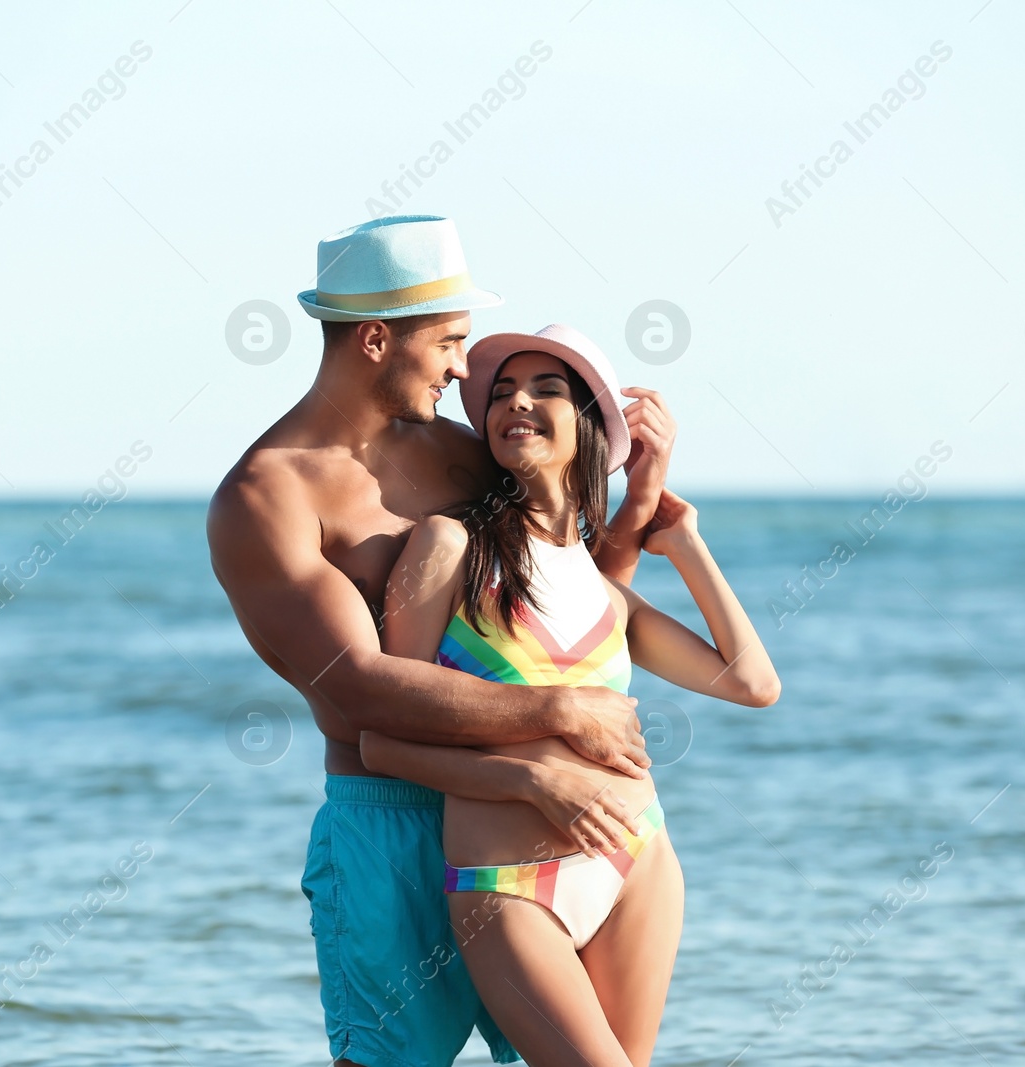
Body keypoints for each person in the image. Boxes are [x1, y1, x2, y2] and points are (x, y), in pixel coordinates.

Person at [206, 216, 679, 1067]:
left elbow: (571, 598)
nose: (468, 367)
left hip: (525, 821)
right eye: (452, 340)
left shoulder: (461, 458)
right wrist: (558, 713)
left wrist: (640, 501)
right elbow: (357, 687)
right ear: (379, 338)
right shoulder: (263, 498)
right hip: (393, 831)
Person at [359, 325, 780, 1067]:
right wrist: (533, 779)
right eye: (501, 393)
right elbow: (383, 740)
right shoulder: (449, 547)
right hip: (508, 888)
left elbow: (753, 683)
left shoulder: (605, 591)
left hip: (638, 862)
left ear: (589, 423)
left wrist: (683, 541)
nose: (516, 401)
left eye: (546, 389)